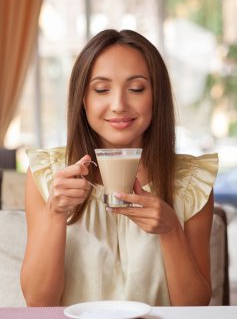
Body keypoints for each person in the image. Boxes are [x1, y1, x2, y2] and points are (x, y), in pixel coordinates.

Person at [20, 29, 218, 307]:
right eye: (101, 89)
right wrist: (55, 212)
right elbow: (38, 303)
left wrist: (171, 230)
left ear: (156, 97)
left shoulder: (191, 182)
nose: (119, 105)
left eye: (136, 88)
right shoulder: (49, 174)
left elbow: (195, 307)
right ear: (82, 100)